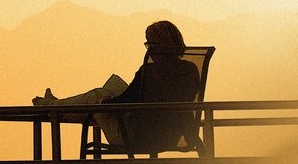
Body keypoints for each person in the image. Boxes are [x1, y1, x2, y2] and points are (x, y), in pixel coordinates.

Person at [33, 20, 201, 151]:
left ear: (161, 46)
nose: (148, 50)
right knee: (112, 86)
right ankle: (57, 106)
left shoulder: (150, 72)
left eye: (150, 45)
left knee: (96, 97)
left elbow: (125, 102)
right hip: (169, 135)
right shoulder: (190, 70)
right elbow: (182, 107)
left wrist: (104, 103)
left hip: (137, 137)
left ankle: (54, 108)